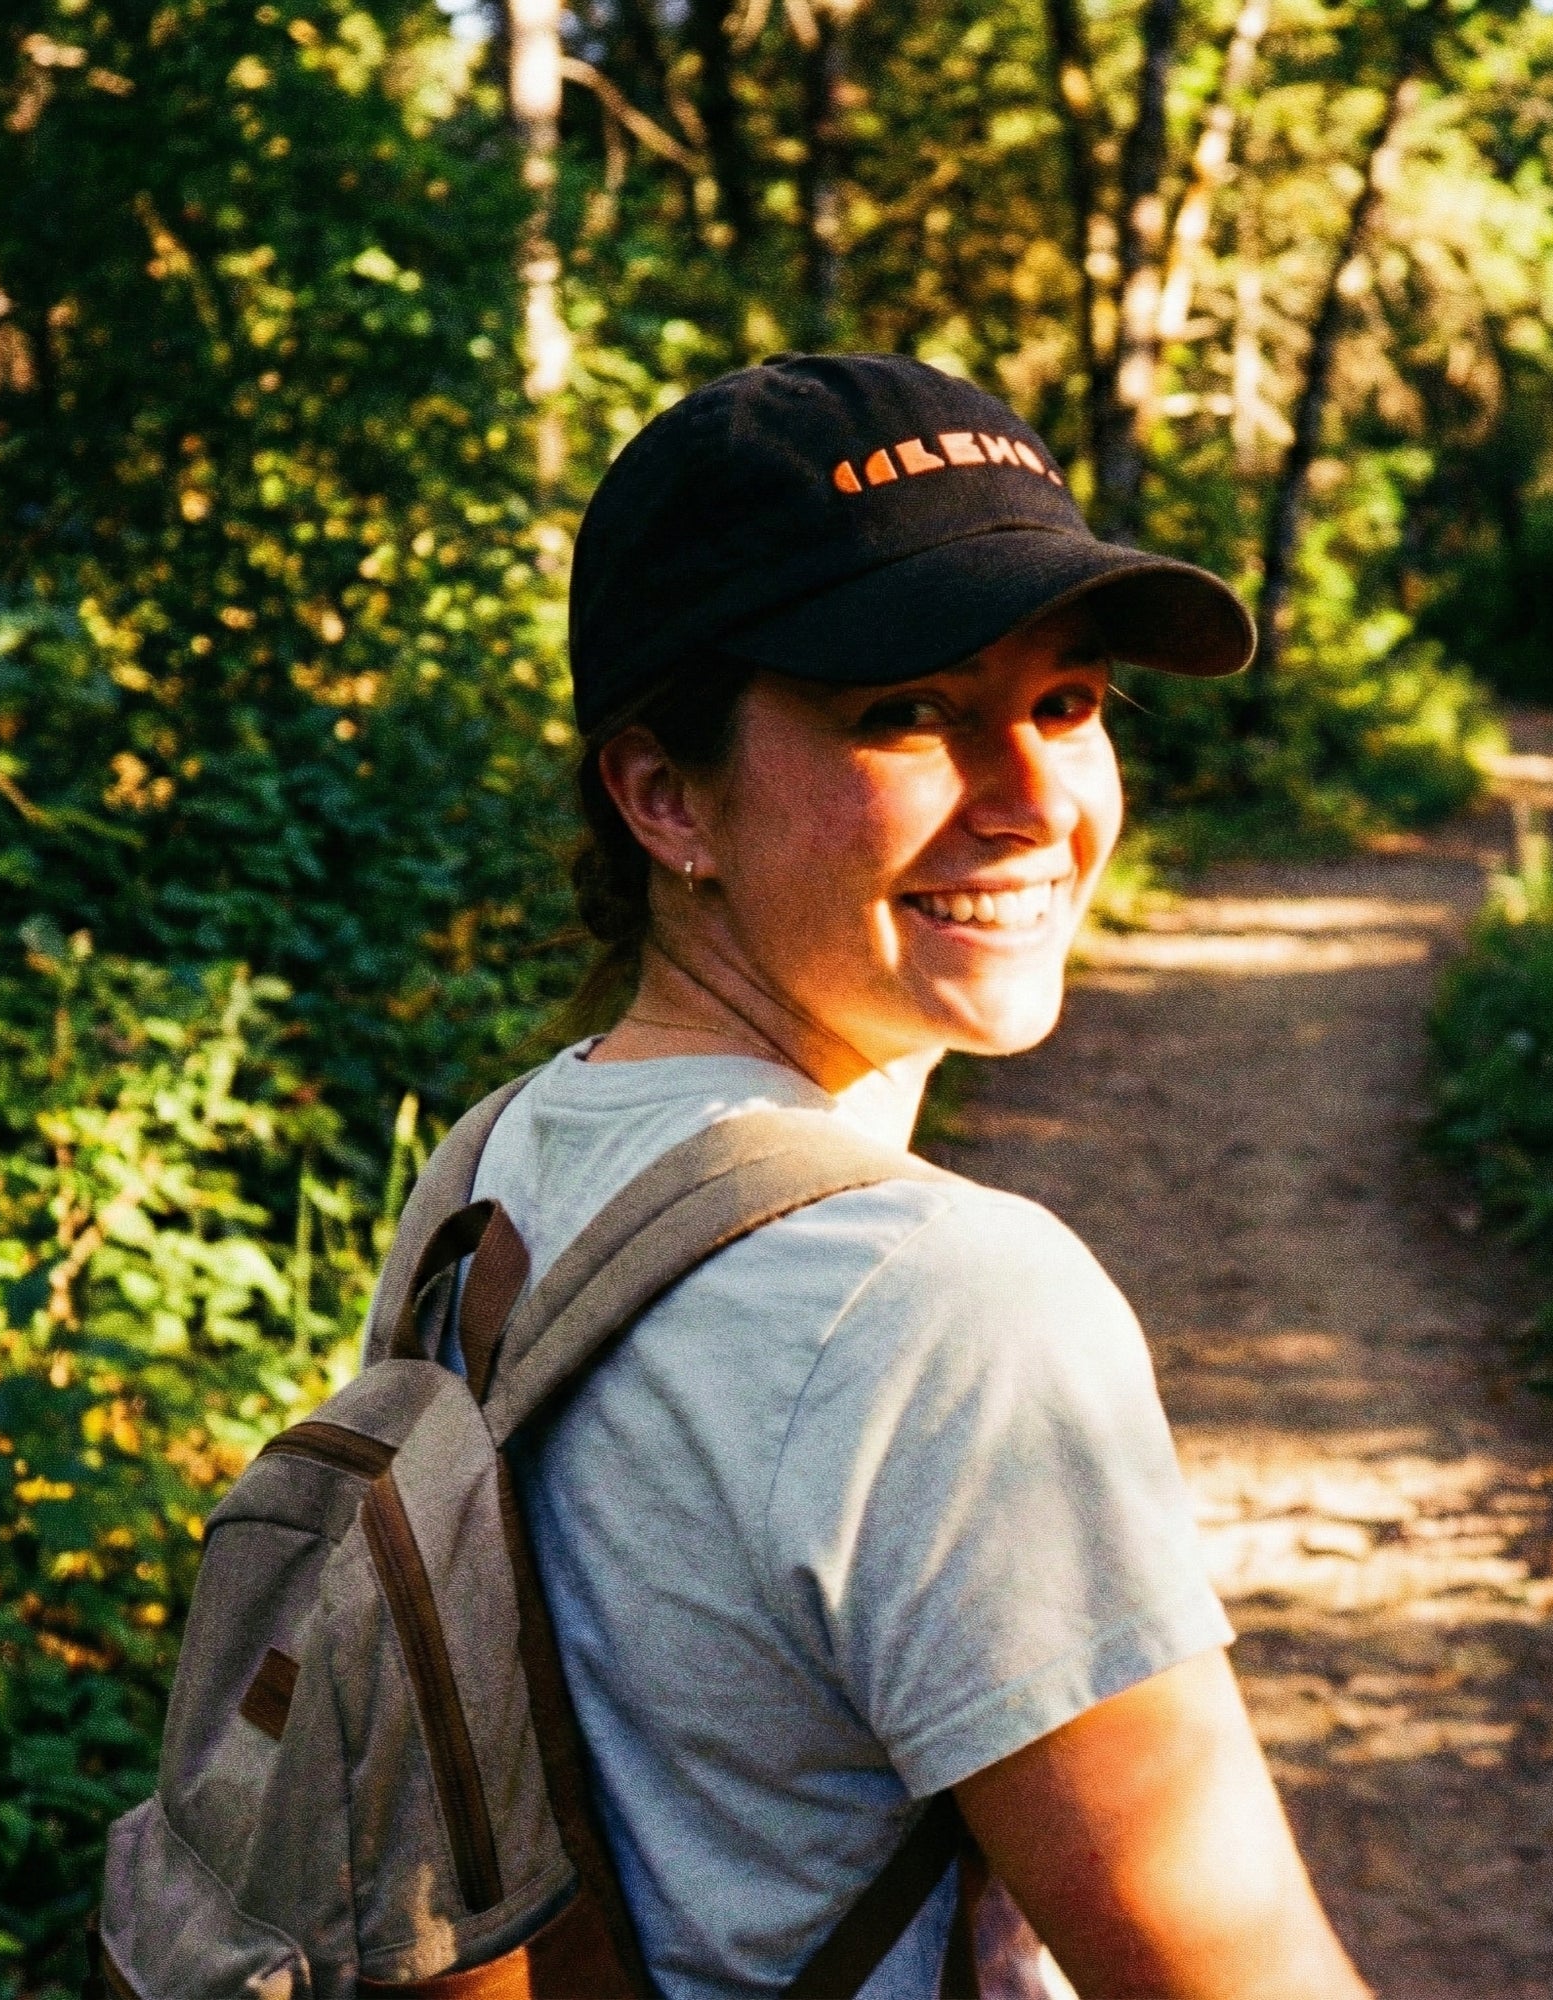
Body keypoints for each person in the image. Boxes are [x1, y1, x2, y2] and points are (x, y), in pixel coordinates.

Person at [472, 354, 1367, 2000]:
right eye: (911, 714)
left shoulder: (502, 1163)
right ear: (665, 798)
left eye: (1067, 703)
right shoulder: (940, 1306)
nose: (1032, 803)